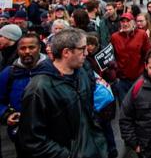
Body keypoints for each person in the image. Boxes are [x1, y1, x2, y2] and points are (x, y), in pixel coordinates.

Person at [18, 28, 107, 158]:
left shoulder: (81, 72)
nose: (87, 53)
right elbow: (33, 139)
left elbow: (88, 112)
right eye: (82, 49)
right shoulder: (39, 89)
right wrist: (68, 155)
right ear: (66, 52)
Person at [0, 33, 46, 155]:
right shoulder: (8, 73)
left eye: (31, 47)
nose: (27, 51)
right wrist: (6, 115)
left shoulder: (53, 70)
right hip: (22, 135)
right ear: (17, 50)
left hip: (50, 134)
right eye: (22, 48)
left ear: (39, 48)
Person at [110, 12, 151, 102]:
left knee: (141, 103)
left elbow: (148, 54)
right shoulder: (115, 37)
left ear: (133, 22)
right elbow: (111, 56)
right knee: (124, 106)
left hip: (139, 77)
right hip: (122, 79)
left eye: (127, 21)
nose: (125, 24)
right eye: (122, 21)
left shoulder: (142, 35)